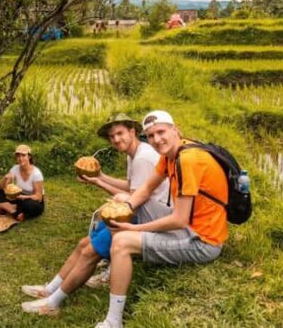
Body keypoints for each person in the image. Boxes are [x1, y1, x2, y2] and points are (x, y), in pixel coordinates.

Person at [20, 113, 171, 316]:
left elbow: (132, 200)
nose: (116, 139)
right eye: (112, 136)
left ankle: (53, 303)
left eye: (120, 133)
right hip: (139, 211)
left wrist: (98, 183)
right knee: (84, 243)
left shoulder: (143, 157)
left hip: (145, 217)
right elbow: (130, 185)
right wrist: (100, 176)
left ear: (133, 132)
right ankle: (49, 289)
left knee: (90, 251)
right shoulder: (134, 154)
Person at [95, 111, 228, 328]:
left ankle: (113, 321)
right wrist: (125, 208)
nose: (157, 140)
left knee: (122, 242)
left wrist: (133, 228)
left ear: (174, 129)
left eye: (161, 132)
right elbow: (146, 189)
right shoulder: (172, 154)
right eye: (151, 135)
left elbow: (179, 220)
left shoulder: (187, 160)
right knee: (127, 202)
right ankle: (111, 264)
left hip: (203, 240)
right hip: (191, 226)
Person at [0, 144, 45, 221]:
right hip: (17, 197)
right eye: (18, 156)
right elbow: (2, 187)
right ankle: (15, 212)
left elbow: (38, 197)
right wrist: (5, 178)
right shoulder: (15, 168)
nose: (20, 158)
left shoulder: (36, 173)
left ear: (29, 157)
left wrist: (23, 197)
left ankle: (8, 207)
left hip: (32, 199)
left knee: (31, 206)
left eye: (23, 155)